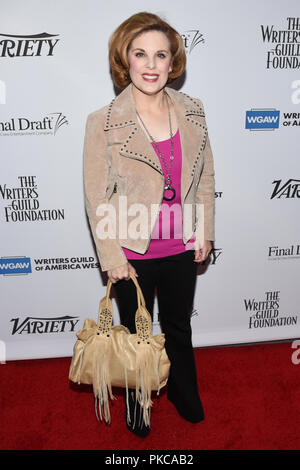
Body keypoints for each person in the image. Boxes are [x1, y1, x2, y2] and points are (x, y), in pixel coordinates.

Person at [83, 11, 216, 438]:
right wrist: (112, 257)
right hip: (132, 252)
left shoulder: (193, 110)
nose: (152, 64)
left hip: (180, 245)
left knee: (178, 325)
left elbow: (205, 176)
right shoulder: (102, 122)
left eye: (161, 54)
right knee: (135, 333)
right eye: (141, 54)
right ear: (125, 59)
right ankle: (138, 407)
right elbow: (96, 196)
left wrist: (203, 229)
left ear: (173, 61)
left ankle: (182, 392)